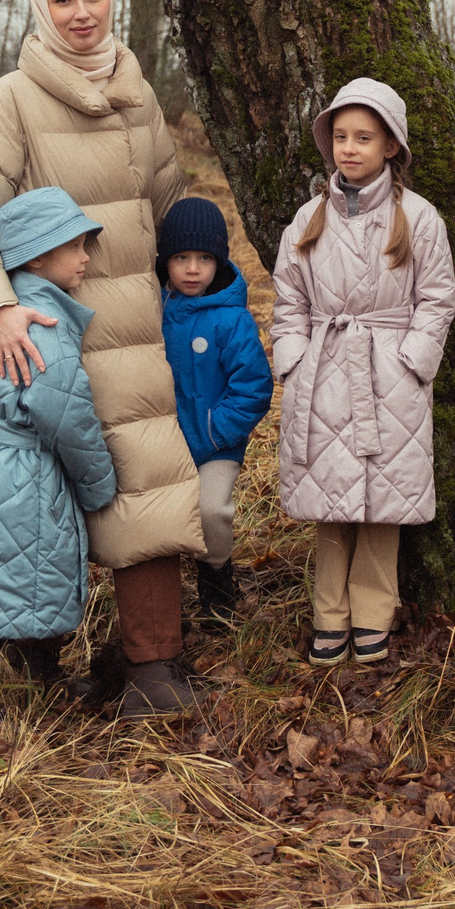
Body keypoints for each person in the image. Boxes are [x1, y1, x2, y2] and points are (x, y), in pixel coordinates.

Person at [0, 0, 202, 717]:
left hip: (137, 325)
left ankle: (150, 668)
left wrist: (200, 296)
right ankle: (30, 654)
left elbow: (170, 201)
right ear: (41, 9)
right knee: (39, 495)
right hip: (48, 324)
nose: (81, 12)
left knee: (148, 483)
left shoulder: (138, 93)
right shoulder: (13, 97)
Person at [271, 78, 455, 666]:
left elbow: (437, 298)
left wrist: (414, 362)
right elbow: (288, 300)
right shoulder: (308, 218)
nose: (350, 149)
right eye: (342, 137)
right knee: (329, 500)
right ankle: (329, 615)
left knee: (385, 500)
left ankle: (373, 613)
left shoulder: (418, 218)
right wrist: (294, 359)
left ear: (391, 146)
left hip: (390, 377)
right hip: (323, 372)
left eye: (365, 138)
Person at [0, 187, 118, 741]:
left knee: (2, 577)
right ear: (37, 256)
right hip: (20, 472)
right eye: (76, 246)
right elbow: (66, 414)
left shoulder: (4, 313)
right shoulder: (43, 325)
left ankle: (38, 673)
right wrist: (98, 482)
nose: (86, 258)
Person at [154, 196, 273, 626]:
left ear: (218, 262)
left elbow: (254, 386)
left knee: (211, 509)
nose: (191, 269)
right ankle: (163, 594)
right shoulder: (156, 315)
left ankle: (216, 570)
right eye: (181, 258)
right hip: (165, 442)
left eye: (204, 258)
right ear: (164, 261)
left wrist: (215, 431)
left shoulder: (232, 320)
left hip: (215, 442)